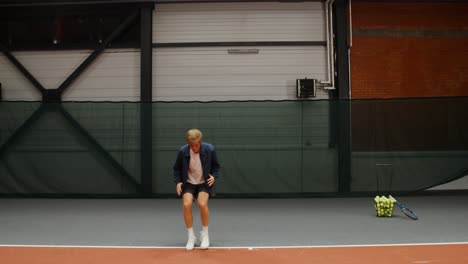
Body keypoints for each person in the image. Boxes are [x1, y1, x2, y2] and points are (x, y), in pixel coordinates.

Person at [173, 129, 220, 250]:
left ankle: (205, 235)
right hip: (188, 182)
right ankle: (191, 237)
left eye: (197, 145)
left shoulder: (210, 149)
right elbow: (177, 169)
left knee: (202, 203)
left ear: (200, 142)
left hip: (204, 181)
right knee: (187, 204)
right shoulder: (182, 152)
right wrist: (178, 181)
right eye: (191, 145)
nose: (194, 148)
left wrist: (214, 177)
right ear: (188, 144)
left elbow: (216, 166)